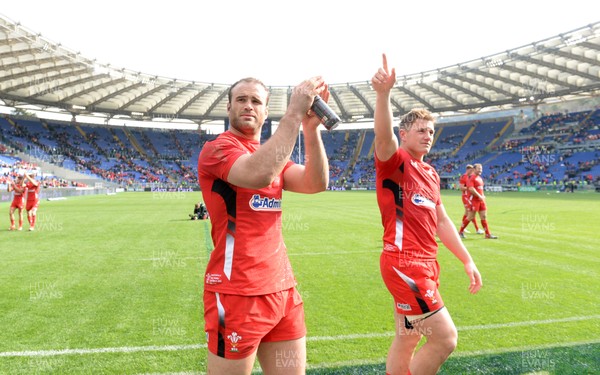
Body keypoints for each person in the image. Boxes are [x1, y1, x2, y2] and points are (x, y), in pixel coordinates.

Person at [197, 76, 330, 374]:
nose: (248, 105)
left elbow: (316, 182)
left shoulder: (274, 154)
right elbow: (259, 174)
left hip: (283, 292)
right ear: (229, 106)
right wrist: (294, 114)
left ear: (265, 112)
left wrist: (310, 130)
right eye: (241, 99)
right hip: (237, 294)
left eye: (256, 101)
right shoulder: (218, 149)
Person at [371, 54, 483, 375]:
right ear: (404, 134)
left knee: (406, 339)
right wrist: (383, 94)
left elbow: (443, 222)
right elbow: (382, 136)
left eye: (431, 131)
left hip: (427, 264)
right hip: (405, 264)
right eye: (420, 130)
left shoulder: (431, 174)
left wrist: (467, 259)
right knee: (445, 339)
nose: (428, 135)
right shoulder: (394, 164)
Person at [459, 163, 497, 239]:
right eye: (479, 169)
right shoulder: (471, 178)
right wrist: (479, 196)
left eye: (481, 169)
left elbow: (480, 189)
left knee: (484, 216)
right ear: (474, 169)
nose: (480, 170)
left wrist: (482, 195)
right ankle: (460, 232)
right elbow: (471, 188)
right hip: (473, 200)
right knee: (470, 216)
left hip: (481, 200)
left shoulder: (479, 178)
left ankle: (487, 234)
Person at [458, 164, 483, 236]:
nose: (471, 171)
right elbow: (461, 188)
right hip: (466, 196)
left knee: (468, 213)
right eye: (470, 170)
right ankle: (476, 229)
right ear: (467, 170)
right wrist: (469, 187)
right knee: (470, 213)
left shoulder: (471, 176)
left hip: (469, 196)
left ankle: (464, 227)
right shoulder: (464, 177)